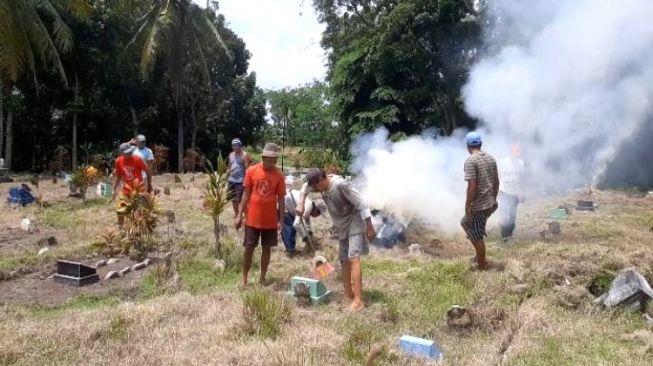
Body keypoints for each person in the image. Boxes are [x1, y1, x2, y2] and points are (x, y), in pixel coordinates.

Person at [297, 168, 376, 312]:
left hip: (355, 221)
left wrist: (369, 226)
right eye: (313, 186)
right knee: (343, 258)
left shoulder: (340, 185)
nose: (313, 189)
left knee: (353, 257)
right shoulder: (317, 185)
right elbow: (304, 188)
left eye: (315, 185)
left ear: (322, 179)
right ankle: (349, 294)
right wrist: (301, 203)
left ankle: (359, 301)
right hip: (342, 225)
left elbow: (362, 203)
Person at [236, 142, 285, 287]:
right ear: (262, 158)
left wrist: (281, 219)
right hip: (252, 219)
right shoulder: (251, 171)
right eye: (269, 160)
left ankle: (262, 277)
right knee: (249, 248)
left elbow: (281, 199)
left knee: (267, 248)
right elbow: (245, 194)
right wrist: (239, 214)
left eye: (274, 161)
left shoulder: (279, 174)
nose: (272, 163)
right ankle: (244, 278)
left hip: (270, 220)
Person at [461, 131, 499, 271]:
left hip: (479, 205)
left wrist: (468, 205)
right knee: (465, 222)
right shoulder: (491, 158)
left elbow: (472, 186)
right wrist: (493, 200)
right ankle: (479, 255)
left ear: (468, 146)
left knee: (477, 236)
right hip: (489, 202)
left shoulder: (471, 161)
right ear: (480, 144)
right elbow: (496, 182)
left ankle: (482, 266)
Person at [111, 143, 152, 227]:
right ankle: (121, 229)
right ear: (121, 153)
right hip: (126, 191)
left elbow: (147, 171)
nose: (129, 154)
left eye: (130, 152)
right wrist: (114, 189)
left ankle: (141, 230)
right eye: (127, 153)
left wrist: (149, 185)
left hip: (139, 190)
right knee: (120, 210)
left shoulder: (137, 159)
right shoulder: (118, 161)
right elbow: (118, 176)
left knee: (140, 213)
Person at [281, 175, 324, 255]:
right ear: (316, 209)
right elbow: (296, 224)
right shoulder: (307, 207)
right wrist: (305, 237)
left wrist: (309, 231)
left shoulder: (310, 206)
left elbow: (307, 220)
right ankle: (291, 251)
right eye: (319, 214)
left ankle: (290, 249)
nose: (317, 216)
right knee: (290, 227)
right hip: (283, 203)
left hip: (287, 200)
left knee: (290, 227)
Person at [498, 145, 525, 242]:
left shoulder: (521, 163)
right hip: (504, 191)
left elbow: (521, 179)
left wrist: (521, 192)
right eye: (514, 151)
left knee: (512, 215)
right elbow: (498, 175)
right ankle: (504, 235)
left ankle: (510, 233)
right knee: (504, 214)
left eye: (517, 152)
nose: (515, 154)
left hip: (515, 193)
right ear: (510, 152)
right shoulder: (502, 162)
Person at [228, 138, 251, 217]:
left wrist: (246, 182)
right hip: (231, 180)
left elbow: (247, 170)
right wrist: (226, 175)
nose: (235, 147)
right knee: (234, 200)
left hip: (240, 181)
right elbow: (229, 167)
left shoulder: (244, 155)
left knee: (242, 200)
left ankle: (248, 217)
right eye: (233, 145)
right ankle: (237, 215)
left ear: (240, 145)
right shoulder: (231, 155)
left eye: (236, 145)